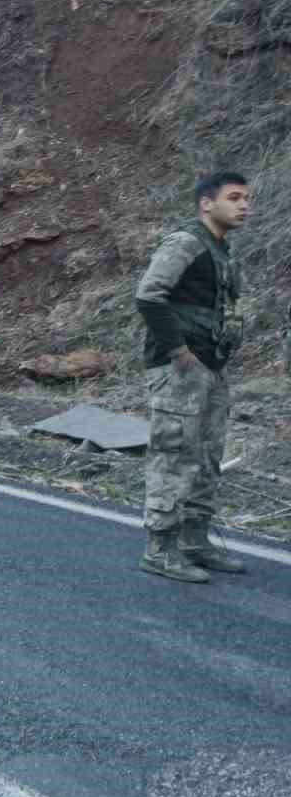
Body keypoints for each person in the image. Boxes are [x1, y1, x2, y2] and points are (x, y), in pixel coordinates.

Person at [133, 171, 251, 582]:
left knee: (206, 456)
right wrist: (179, 352)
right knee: (174, 454)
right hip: (182, 368)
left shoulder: (221, 250)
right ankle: (159, 549)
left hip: (211, 368)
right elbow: (149, 295)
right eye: (234, 197)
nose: (243, 205)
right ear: (206, 203)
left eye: (245, 198)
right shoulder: (186, 242)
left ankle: (193, 540)